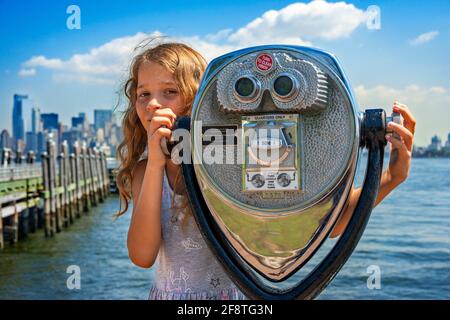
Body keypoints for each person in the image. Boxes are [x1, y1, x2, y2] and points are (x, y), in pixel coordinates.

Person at [115, 41, 415, 299]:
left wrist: (391, 177)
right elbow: (142, 256)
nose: (154, 104)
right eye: (144, 94)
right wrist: (156, 163)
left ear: (201, 102)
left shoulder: (232, 153)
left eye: (169, 91)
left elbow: (331, 222)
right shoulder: (145, 173)